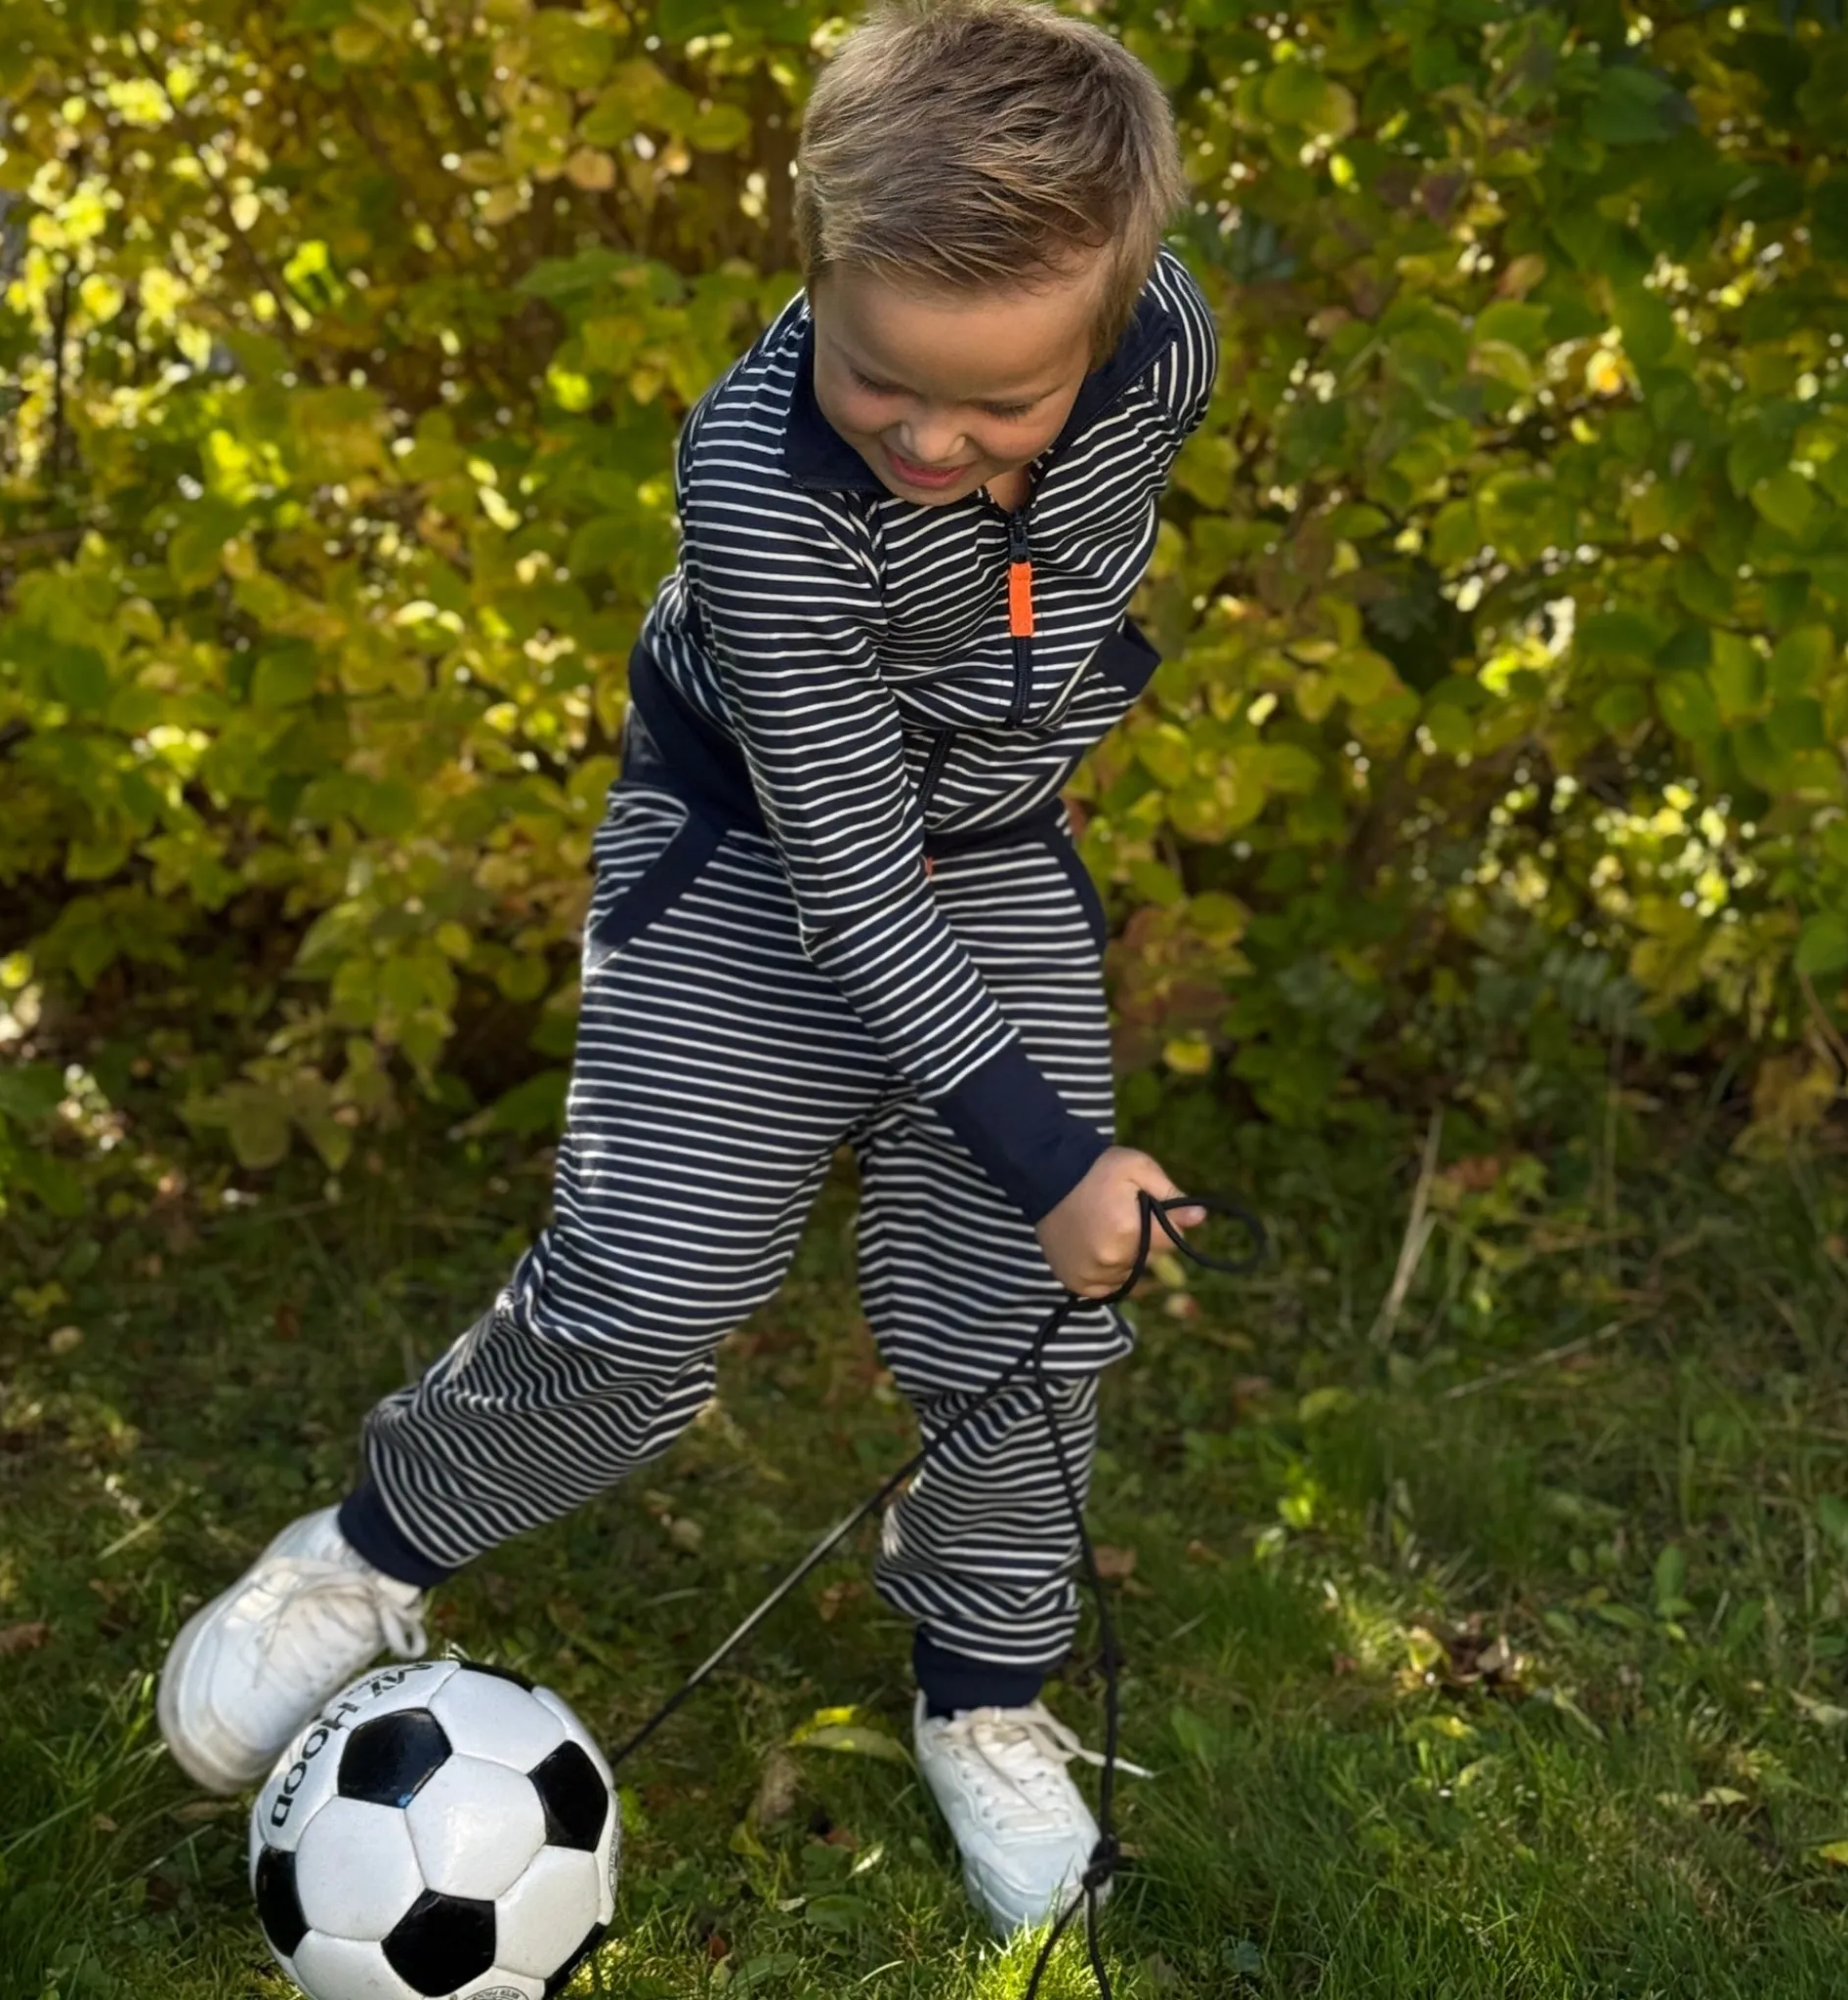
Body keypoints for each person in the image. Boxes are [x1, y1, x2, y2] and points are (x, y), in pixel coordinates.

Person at [157, 0, 1217, 1939]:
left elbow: (1026, 623)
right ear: (812, 266)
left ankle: (983, 1692)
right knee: (648, 1296)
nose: (931, 440)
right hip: (753, 850)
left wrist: (1033, 1183)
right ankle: (372, 1547)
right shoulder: (753, 483)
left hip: (986, 848)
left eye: (1000, 408)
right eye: (886, 379)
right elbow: (846, 880)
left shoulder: (1165, 344)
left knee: (1021, 1305)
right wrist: (1054, 1145)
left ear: (1113, 325)